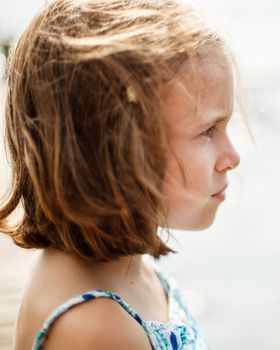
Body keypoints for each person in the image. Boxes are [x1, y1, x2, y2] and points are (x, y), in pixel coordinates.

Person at [0, 0, 242, 349]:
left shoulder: (124, 268)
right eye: (208, 131)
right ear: (115, 149)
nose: (231, 157)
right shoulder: (97, 327)